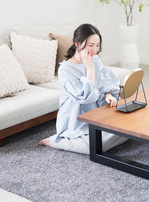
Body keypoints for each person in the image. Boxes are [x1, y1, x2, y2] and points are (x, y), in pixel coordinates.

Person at [39, 24, 127, 154]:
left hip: (96, 113)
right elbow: (86, 97)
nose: (95, 50)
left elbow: (104, 83)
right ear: (78, 44)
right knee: (94, 145)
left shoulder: (95, 59)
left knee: (127, 129)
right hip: (76, 119)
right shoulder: (65, 69)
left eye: (97, 46)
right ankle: (56, 141)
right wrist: (89, 68)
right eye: (91, 45)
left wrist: (108, 96)